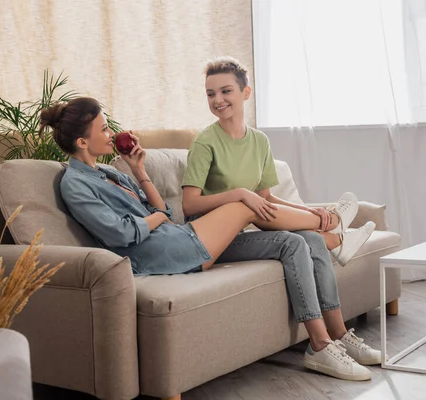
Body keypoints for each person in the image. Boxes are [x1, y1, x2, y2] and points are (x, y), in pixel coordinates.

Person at [40, 96, 378, 382]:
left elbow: (161, 211)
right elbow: (122, 232)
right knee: (244, 201)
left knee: (297, 242)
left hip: (177, 238)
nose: (111, 133)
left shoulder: (110, 172)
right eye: (103, 129)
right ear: (82, 142)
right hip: (159, 253)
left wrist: (139, 171)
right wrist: (157, 218)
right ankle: (332, 226)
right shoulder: (75, 183)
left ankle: (331, 336)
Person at [181, 56, 380, 381]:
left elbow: (269, 198)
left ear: (246, 93)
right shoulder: (205, 143)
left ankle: (339, 336)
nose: (217, 100)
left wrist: (310, 212)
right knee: (295, 242)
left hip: (249, 231)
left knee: (313, 239)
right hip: (216, 240)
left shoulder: (259, 141)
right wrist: (239, 194)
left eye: (226, 91)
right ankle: (338, 242)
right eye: (210, 94)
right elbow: (190, 204)